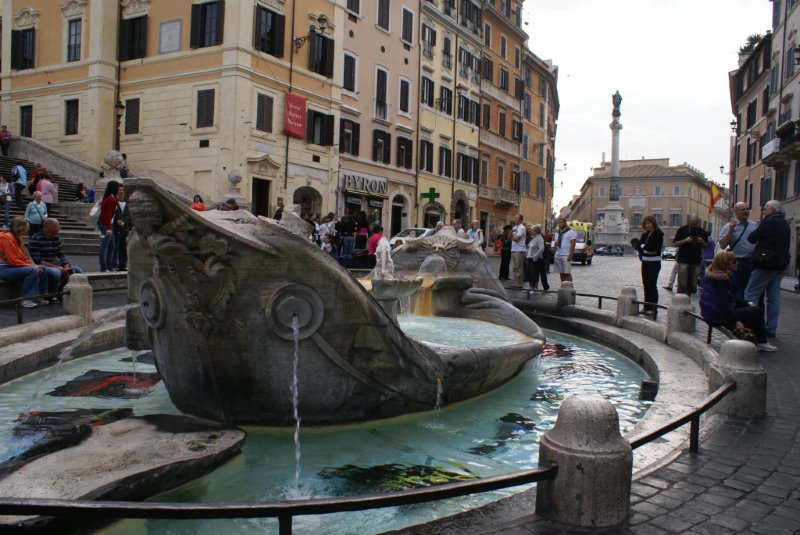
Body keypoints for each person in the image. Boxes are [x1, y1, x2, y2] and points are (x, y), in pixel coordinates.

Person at [700, 251, 776, 352]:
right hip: (716, 316)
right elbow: (722, 305)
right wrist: (734, 322)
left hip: (713, 313)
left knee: (750, 309)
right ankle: (762, 341)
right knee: (757, 311)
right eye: (734, 261)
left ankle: (750, 337)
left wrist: (747, 304)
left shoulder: (721, 276)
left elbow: (732, 298)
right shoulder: (721, 280)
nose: (737, 263)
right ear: (726, 263)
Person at [744, 200, 790, 338]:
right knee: (774, 298)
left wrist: (760, 227)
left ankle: (751, 326)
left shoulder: (769, 221)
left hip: (766, 263)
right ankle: (771, 328)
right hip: (780, 264)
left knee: (750, 294)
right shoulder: (785, 223)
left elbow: (752, 238)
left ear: (772, 210)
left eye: (765, 209)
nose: (763, 211)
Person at [0, 216, 53, 308]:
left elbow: (23, 257)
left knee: (42, 269)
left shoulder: (17, 238)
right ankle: (26, 299)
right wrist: (31, 266)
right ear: (21, 228)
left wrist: (32, 265)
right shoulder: (7, 239)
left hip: (12, 267)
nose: (28, 229)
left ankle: (39, 297)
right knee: (32, 270)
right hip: (3, 268)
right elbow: (13, 261)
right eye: (27, 227)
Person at [29, 218, 83, 299]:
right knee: (56, 273)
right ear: (50, 227)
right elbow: (37, 260)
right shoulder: (36, 239)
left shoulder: (56, 238)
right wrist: (56, 267)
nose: (59, 228)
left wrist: (66, 264)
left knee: (77, 270)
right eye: (57, 226)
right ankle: (52, 294)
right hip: (43, 265)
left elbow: (61, 254)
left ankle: (62, 291)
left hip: (55, 263)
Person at [717, 202, 756, 300]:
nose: (746, 211)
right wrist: (730, 230)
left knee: (753, 292)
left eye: (747, 209)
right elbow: (722, 245)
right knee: (739, 291)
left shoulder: (754, 225)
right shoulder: (728, 227)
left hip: (753, 262)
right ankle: (739, 308)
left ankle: (751, 309)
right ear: (736, 212)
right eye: (743, 210)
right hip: (738, 263)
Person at [672, 215, 708, 296]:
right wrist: (685, 241)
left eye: (695, 224)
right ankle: (681, 299)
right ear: (689, 222)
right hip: (683, 259)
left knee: (692, 284)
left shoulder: (701, 231)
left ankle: (688, 298)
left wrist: (701, 241)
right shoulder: (682, 230)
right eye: (692, 224)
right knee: (682, 283)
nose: (693, 226)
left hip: (696, 260)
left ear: (697, 222)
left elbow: (706, 246)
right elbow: (674, 244)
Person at [638, 215, 663, 313]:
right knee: (646, 284)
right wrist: (645, 248)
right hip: (645, 261)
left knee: (652, 284)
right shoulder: (645, 234)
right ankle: (646, 307)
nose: (647, 225)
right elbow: (639, 246)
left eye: (649, 223)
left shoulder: (658, 234)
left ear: (653, 223)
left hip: (654, 262)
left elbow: (653, 248)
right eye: (646, 223)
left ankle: (653, 307)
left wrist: (644, 247)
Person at [97, 180, 119, 272]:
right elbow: (108, 215)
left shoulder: (108, 197)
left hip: (105, 223)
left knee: (111, 246)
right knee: (104, 247)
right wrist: (108, 228)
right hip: (106, 225)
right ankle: (104, 268)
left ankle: (109, 267)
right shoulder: (111, 199)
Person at [552, 217, 577, 283]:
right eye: (558, 223)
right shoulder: (557, 232)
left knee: (567, 273)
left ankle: (570, 286)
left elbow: (573, 244)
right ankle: (563, 285)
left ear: (565, 223)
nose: (559, 224)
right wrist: (554, 251)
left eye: (561, 222)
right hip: (558, 254)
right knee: (561, 273)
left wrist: (571, 254)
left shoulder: (571, 232)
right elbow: (556, 243)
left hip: (566, 255)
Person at [112, 186, 130, 271]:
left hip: (125, 229)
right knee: (115, 248)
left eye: (123, 190)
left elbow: (130, 217)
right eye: (119, 190)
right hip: (116, 228)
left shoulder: (128, 204)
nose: (121, 192)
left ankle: (122, 265)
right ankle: (114, 265)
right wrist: (116, 220)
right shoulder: (114, 203)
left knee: (124, 248)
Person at [526, 224, 548, 291]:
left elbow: (541, 248)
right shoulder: (533, 238)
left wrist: (535, 257)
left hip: (536, 259)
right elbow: (529, 247)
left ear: (536, 231)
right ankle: (531, 287)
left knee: (534, 274)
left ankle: (535, 288)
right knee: (529, 273)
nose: (530, 231)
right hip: (530, 258)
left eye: (532, 230)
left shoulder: (539, 238)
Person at [509, 214, 527, 289]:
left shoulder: (522, 228)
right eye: (514, 218)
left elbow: (516, 239)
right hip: (514, 249)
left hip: (520, 250)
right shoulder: (514, 228)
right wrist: (511, 232)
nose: (515, 220)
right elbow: (509, 237)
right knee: (514, 268)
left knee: (519, 268)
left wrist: (512, 235)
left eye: (516, 218)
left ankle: (519, 284)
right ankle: (515, 282)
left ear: (521, 220)